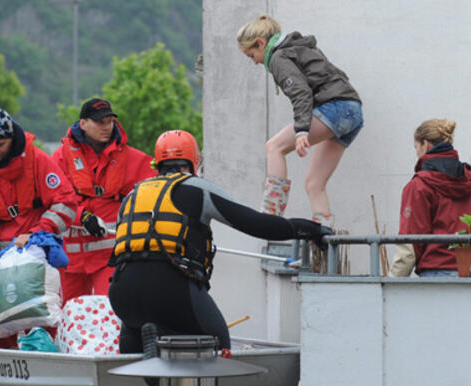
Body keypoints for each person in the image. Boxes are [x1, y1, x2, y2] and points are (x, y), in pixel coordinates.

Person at [108, 130, 331, 354]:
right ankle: (162, 334)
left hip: (123, 291)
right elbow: (256, 223)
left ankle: (151, 341)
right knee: (217, 345)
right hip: (170, 286)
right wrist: (309, 229)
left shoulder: (132, 196)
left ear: (158, 163)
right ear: (194, 161)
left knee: (133, 360)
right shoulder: (196, 187)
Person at [0, 108, 78, 347]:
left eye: (0, 144)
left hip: (33, 253)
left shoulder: (37, 160)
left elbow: (66, 201)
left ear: (11, 139)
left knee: (38, 309)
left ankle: (45, 352)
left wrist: (39, 232)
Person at [236, 14, 363, 227]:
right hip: (353, 110)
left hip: (336, 107)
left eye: (252, 55)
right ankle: (324, 239)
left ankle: (271, 216)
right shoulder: (298, 47)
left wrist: (302, 130)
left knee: (274, 147)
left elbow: (301, 92)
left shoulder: (278, 57)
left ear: (261, 43)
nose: (255, 62)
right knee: (314, 184)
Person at [51, 98, 156, 304]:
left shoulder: (129, 157)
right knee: (68, 315)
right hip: (70, 261)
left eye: (109, 121)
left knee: (109, 311)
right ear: (83, 124)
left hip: (108, 256)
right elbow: (54, 197)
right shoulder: (62, 157)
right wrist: (83, 216)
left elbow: (159, 182)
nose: (106, 127)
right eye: (100, 122)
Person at [390, 119, 471, 277]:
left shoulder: (420, 185)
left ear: (425, 145)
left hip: (436, 275)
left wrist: (391, 283)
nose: (416, 154)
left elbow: (410, 244)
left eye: (416, 148)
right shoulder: (468, 178)